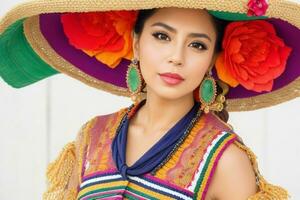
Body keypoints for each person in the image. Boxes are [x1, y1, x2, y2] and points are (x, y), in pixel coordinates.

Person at [0, 0, 299, 199]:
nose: (176, 57)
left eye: (196, 44)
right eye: (162, 36)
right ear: (136, 44)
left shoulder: (225, 160)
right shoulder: (92, 137)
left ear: (211, 60)